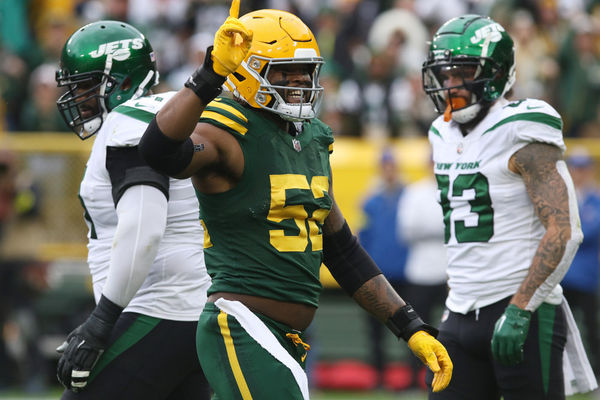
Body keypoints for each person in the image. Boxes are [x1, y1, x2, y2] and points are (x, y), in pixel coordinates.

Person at [138, 1, 453, 399]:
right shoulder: (227, 129)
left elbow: (341, 250)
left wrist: (411, 326)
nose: (299, 82)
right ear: (247, 71)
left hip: (286, 336)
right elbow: (159, 151)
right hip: (242, 325)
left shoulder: (311, 139)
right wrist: (209, 75)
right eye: (284, 72)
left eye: (305, 71)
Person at [421, 14, 597, 399]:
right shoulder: (440, 132)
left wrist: (521, 308)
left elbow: (565, 230)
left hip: (522, 309)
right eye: (446, 73)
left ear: (498, 74)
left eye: (464, 71)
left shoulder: (521, 126)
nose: (453, 83)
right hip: (460, 309)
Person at [54, 20, 212, 399]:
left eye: (86, 86)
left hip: (156, 308)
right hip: (198, 313)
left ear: (120, 80)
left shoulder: (130, 121)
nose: (79, 97)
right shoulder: (180, 112)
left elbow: (144, 229)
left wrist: (101, 320)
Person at [358, 149, 409, 388]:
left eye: (392, 166)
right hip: (377, 273)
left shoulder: (408, 197)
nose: (389, 171)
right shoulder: (371, 201)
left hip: (404, 272)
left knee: (409, 326)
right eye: (385, 167)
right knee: (376, 330)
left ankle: (411, 378)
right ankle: (379, 377)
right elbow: (363, 237)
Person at [397, 157, 448, 389]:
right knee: (417, 328)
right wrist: (440, 227)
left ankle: (451, 375)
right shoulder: (414, 192)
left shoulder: (453, 190)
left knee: (450, 329)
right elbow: (406, 230)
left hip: (449, 272)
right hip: (420, 272)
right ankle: (413, 380)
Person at [562, 149, 600, 378]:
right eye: (576, 167)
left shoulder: (594, 199)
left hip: (586, 275)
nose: (579, 173)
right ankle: (567, 373)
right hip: (563, 274)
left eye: (583, 167)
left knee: (590, 325)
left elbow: (583, 232)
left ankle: (594, 372)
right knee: (561, 328)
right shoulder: (564, 198)